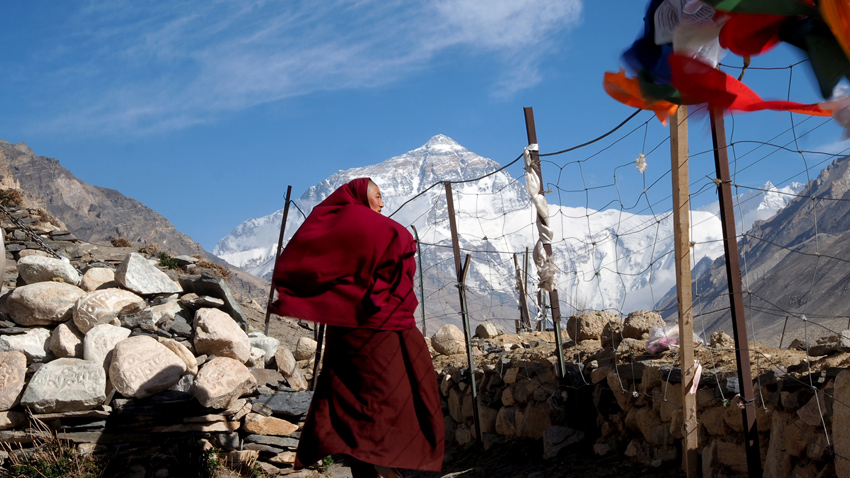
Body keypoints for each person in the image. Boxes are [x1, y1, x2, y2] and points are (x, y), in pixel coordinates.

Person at [269, 178, 445, 478]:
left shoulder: (333, 224)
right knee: (398, 398)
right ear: (362, 195)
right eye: (377, 195)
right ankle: (389, 464)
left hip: (346, 333)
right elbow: (401, 242)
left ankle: (370, 468)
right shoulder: (378, 228)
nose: (382, 203)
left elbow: (313, 266)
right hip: (383, 330)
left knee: (354, 406)